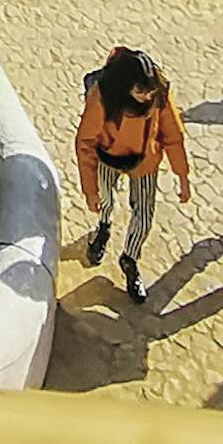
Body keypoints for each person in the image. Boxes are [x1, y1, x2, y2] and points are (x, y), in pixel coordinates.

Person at [75, 45, 191, 306]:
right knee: (106, 200)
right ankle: (103, 228)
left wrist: (182, 175)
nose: (147, 96)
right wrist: (90, 190)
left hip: (145, 162)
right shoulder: (101, 97)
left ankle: (130, 258)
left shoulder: (159, 94)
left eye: (150, 91)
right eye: (141, 92)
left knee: (144, 214)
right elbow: (86, 142)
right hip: (109, 157)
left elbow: (173, 134)